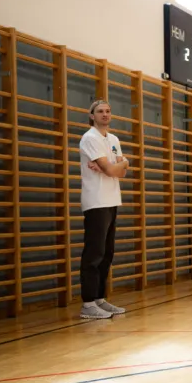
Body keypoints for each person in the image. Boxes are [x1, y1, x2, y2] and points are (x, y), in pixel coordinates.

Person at [78, 100, 129, 320]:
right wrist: (119, 164)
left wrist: (119, 165)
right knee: (94, 253)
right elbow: (111, 169)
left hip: (112, 200)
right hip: (96, 200)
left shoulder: (113, 139)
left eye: (108, 111)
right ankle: (88, 304)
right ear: (92, 116)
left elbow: (121, 172)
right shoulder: (90, 138)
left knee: (107, 253)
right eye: (100, 111)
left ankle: (99, 298)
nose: (105, 114)